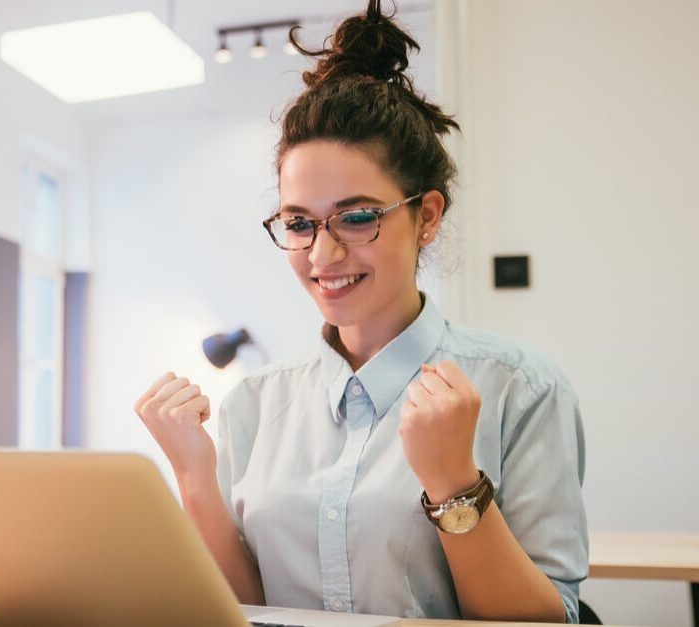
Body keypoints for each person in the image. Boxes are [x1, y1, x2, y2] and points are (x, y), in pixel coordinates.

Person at [133, 0, 588, 622]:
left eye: (356, 216)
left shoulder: (519, 387)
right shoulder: (256, 404)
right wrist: (193, 477)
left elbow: (547, 620)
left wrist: (455, 485)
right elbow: (246, 609)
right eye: (299, 222)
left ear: (425, 217)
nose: (322, 253)